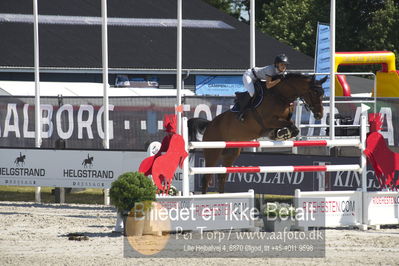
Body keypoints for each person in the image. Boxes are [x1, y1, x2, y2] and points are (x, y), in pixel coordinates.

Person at [236, 54, 289, 121]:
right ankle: (241, 111)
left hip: (258, 78)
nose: (284, 67)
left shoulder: (283, 72)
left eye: (285, 65)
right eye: (282, 64)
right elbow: (268, 85)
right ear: (277, 64)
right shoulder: (270, 70)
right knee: (252, 93)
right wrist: (279, 80)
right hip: (249, 76)